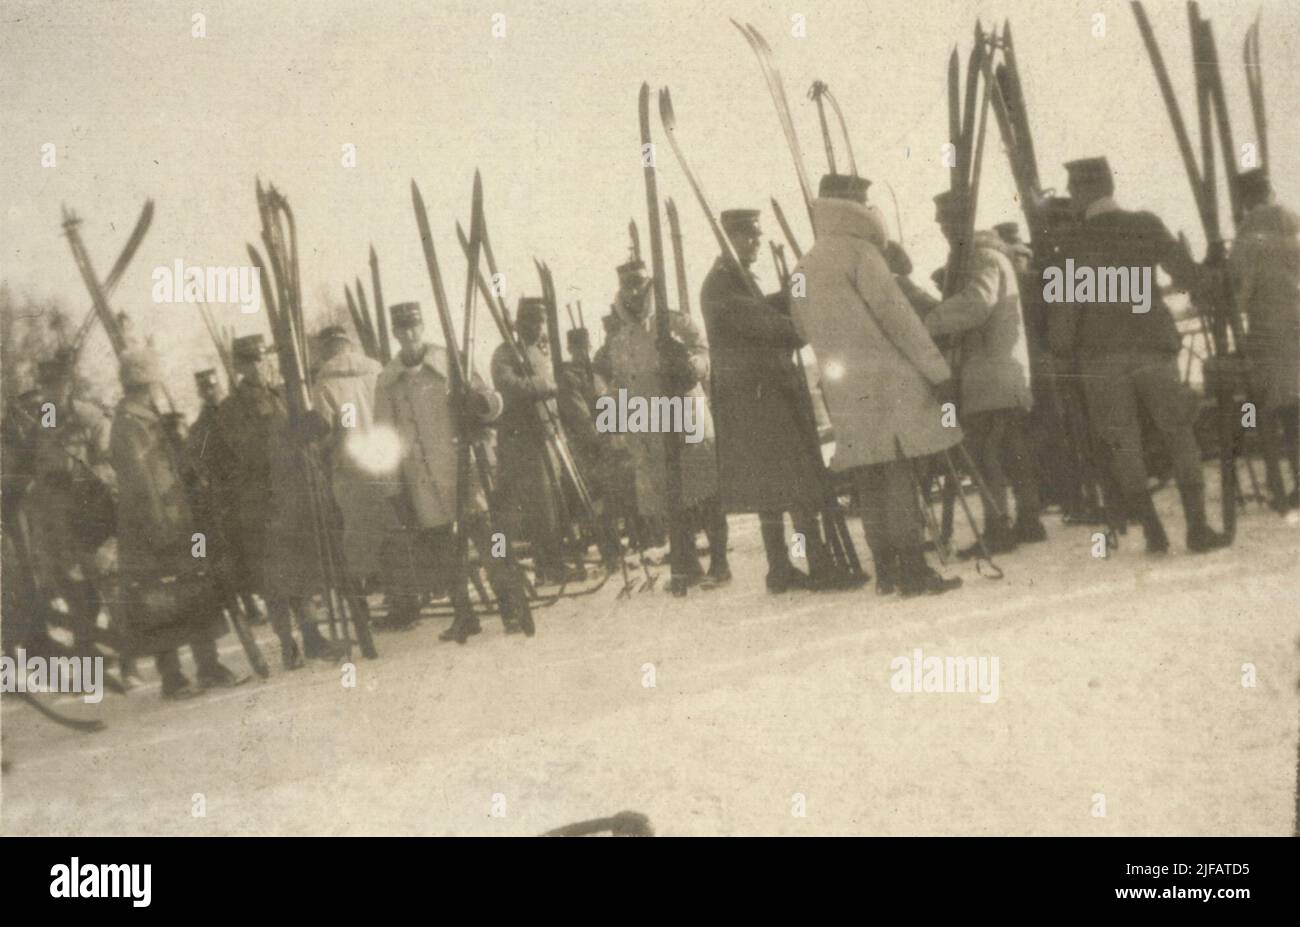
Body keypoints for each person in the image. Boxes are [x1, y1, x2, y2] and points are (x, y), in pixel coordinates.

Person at [791, 173, 962, 596]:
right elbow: (899, 319)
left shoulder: (803, 266)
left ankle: (886, 569)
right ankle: (913, 568)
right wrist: (938, 372)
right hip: (887, 381)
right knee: (897, 467)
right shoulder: (862, 253)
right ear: (856, 207)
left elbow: (801, 328)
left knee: (868, 474)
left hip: (841, 386)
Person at [1061, 156, 1228, 553]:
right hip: (1153, 346)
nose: (1069, 197)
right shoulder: (1145, 224)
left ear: (1086, 190)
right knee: (1178, 432)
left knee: (1123, 443)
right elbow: (1188, 276)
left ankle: (1153, 531)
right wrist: (1215, 275)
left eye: (1072, 190)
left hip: (1101, 357)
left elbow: (1065, 313)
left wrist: (1063, 351)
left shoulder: (1071, 243)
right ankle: (1198, 528)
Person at [700, 207, 850, 593]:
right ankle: (816, 563)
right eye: (748, 235)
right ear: (729, 239)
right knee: (794, 481)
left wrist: (796, 291)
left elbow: (766, 306)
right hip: (759, 400)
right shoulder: (722, 284)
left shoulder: (735, 280)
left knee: (771, 486)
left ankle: (780, 568)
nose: (756, 241)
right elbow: (765, 324)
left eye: (757, 234)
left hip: (760, 398)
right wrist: (806, 324)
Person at [374, 301, 533, 642]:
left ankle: (510, 607)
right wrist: (393, 489)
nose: (409, 334)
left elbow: (491, 401)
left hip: (464, 470)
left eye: (413, 327)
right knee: (445, 553)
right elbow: (384, 439)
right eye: (402, 329)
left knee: (490, 541)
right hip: (422, 481)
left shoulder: (451, 361)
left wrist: (480, 406)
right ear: (395, 333)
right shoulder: (387, 382)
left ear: (422, 326)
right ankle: (464, 615)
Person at [111, 348, 246, 698]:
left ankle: (207, 666)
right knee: (159, 600)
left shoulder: (146, 417)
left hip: (179, 522)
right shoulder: (129, 423)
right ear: (146, 382)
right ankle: (173, 677)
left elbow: (173, 467)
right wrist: (160, 529)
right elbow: (141, 481)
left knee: (197, 588)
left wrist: (178, 443)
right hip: (155, 528)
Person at [209, 334, 346, 668]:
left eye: (262, 358)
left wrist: (313, 429)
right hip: (261, 504)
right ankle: (287, 644)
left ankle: (312, 637)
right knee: (274, 582)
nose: (258, 366)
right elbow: (247, 452)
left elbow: (307, 442)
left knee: (301, 572)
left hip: (292, 497)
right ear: (239, 367)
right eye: (250, 361)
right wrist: (287, 435)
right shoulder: (231, 408)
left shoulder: (285, 394)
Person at [919, 193, 1044, 555]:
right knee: (1011, 451)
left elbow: (976, 304)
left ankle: (998, 527)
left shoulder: (982, 257)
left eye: (947, 222)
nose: (943, 229)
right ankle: (1029, 519)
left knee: (988, 454)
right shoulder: (987, 256)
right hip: (999, 372)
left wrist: (931, 320)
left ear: (962, 220)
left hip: (990, 373)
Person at [604, 259, 727, 591]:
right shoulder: (620, 339)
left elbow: (705, 355)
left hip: (687, 414)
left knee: (706, 489)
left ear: (649, 286)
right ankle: (688, 564)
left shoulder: (676, 322)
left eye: (639, 283)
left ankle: (720, 562)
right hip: (650, 422)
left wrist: (691, 364)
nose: (633, 292)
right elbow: (618, 385)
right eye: (627, 285)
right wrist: (614, 424)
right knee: (670, 497)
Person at [1228, 167, 1299, 512]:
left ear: (1245, 199)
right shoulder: (1291, 230)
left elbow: (1238, 290)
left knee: (1267, 407)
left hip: (1268, 332)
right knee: (1295, 406)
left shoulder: (1249, 236)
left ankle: (1279, 485)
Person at [490, 297, 572, 585]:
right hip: (522, 440)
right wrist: (543, 386)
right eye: (532, 321)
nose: (538, 327)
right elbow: (507, 385)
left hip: (547, 433)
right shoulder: (504, 353)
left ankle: (555, 562)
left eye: (541, 321)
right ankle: (546, 567)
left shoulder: (539, 351)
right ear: (519, 323)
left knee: (553, 501)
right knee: (538, 506)